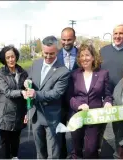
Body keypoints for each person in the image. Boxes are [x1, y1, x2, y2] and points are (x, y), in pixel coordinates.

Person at [23, 36, 70, 159]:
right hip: (35, 115)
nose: (48, 57)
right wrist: (27, 82)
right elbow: (31, 78)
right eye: (45, 53)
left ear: (58, 51)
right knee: (40, 151)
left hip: (52, 117)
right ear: (42, 50)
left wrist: (36, 94)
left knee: (53, 153)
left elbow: (56, 93)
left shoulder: (63, 71)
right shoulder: (36, 63)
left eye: (52, 54)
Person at [99, 24, 123, 159]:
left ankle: (120, 155)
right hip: (105, 95)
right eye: (115, 33)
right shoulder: (104, 50)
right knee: (101, 127)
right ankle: (99, 150)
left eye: (121, 33)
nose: (117, 36)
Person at [67, 43, 113, 159]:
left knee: (91, 149)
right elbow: (69, 97)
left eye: (87, 55)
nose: (84, 58)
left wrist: (108, 102)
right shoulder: (74, 74)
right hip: (77, 115)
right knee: (77, 148)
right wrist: (78, 105)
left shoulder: (103, 74)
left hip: (94, 117)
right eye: (81, 55)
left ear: (93, 57)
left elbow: (108, 95)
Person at [0, 45, 28, 159]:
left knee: (16, 137)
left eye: (12, 57)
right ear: (4, 59)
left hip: (19, 111)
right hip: (5, 112)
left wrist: (28, 86)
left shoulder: (23, 72)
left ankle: (15, 156)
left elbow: (28, 90)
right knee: (5, 141)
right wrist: (22, 92)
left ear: (16, 57)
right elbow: (7, 92)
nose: (11, 60)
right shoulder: (1, 73)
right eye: (7, 58)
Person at [57, 27, 79, 158]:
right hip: (59, 101)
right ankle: (63, 156)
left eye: (69, 39)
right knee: (60, 132)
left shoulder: (83, 55)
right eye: (63, 40)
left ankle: (76, 155)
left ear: (74, 39)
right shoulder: (56, 55)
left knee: (77, 132)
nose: (66, 42)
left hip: (77, 100)